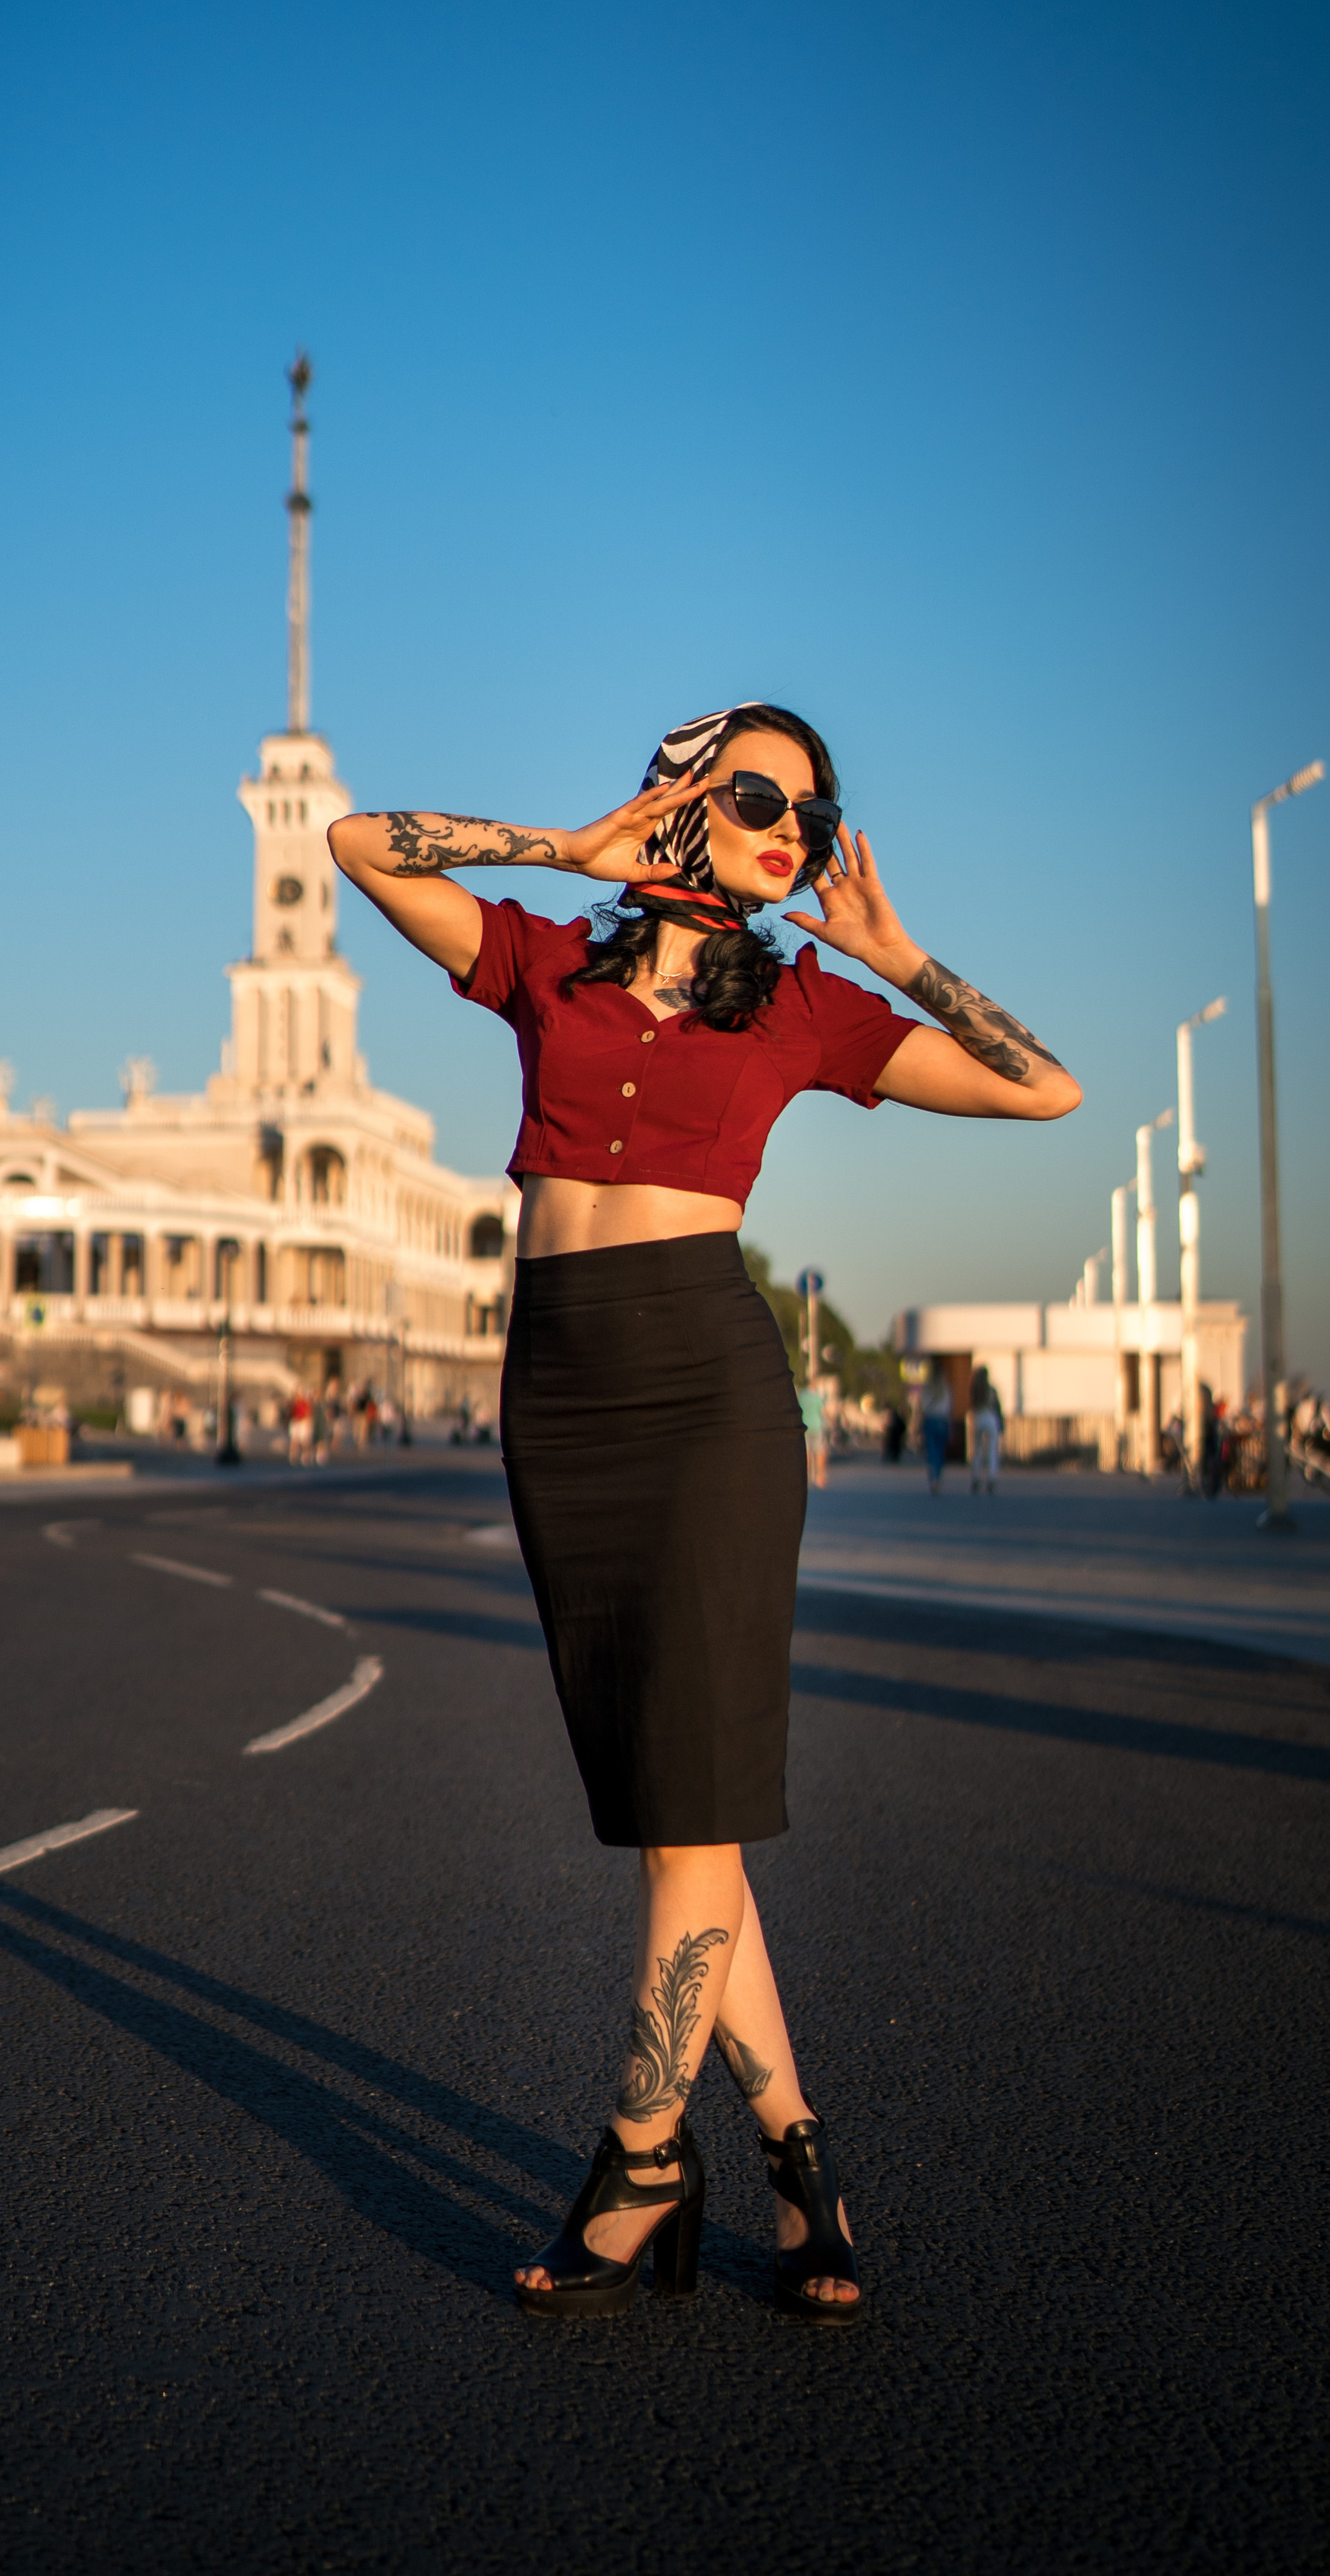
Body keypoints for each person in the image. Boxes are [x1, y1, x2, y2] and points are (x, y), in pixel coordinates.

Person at [330, 700, 1080, 2323]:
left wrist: (895, 954)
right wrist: (569, 847)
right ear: (681, 794)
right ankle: (801, 2161)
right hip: (558, 1396)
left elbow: (1049, 1093)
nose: (789, 830)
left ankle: (641, 2159)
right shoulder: (547, 962)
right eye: (756, 794)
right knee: (677, 1815)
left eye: (809, 812)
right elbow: (356, 845)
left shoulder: (802, 1004)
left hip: (706, 1400)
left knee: (692, 1815)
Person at [968, 1366, 1002, 1494]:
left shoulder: (974, 1389)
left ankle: (976, 1478)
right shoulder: (991, 1389)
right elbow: (997, 1406)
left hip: (977, 1418)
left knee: (976, 1450)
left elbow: (972, 1405)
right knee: (991, 1450)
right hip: (990, 1418)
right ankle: (991, 1478)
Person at [919, 1369, 952, 1493]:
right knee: (940, 1452)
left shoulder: (927, 1391)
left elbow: (923, 1407)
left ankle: (933, 1479)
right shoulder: (946, 1391)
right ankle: (938, 1478)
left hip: (930, 1420)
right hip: (942, 1421)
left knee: (931, 1451)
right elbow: (948, 1409)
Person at [797, 1381, 828, 1489]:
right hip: (817, 1426)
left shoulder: (802, 1396)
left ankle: (807, 1477)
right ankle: (820, 1476)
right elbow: (823, 1411)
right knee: (819, 1451)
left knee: (807, 1452)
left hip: (804, 1426)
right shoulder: (817, 1397)